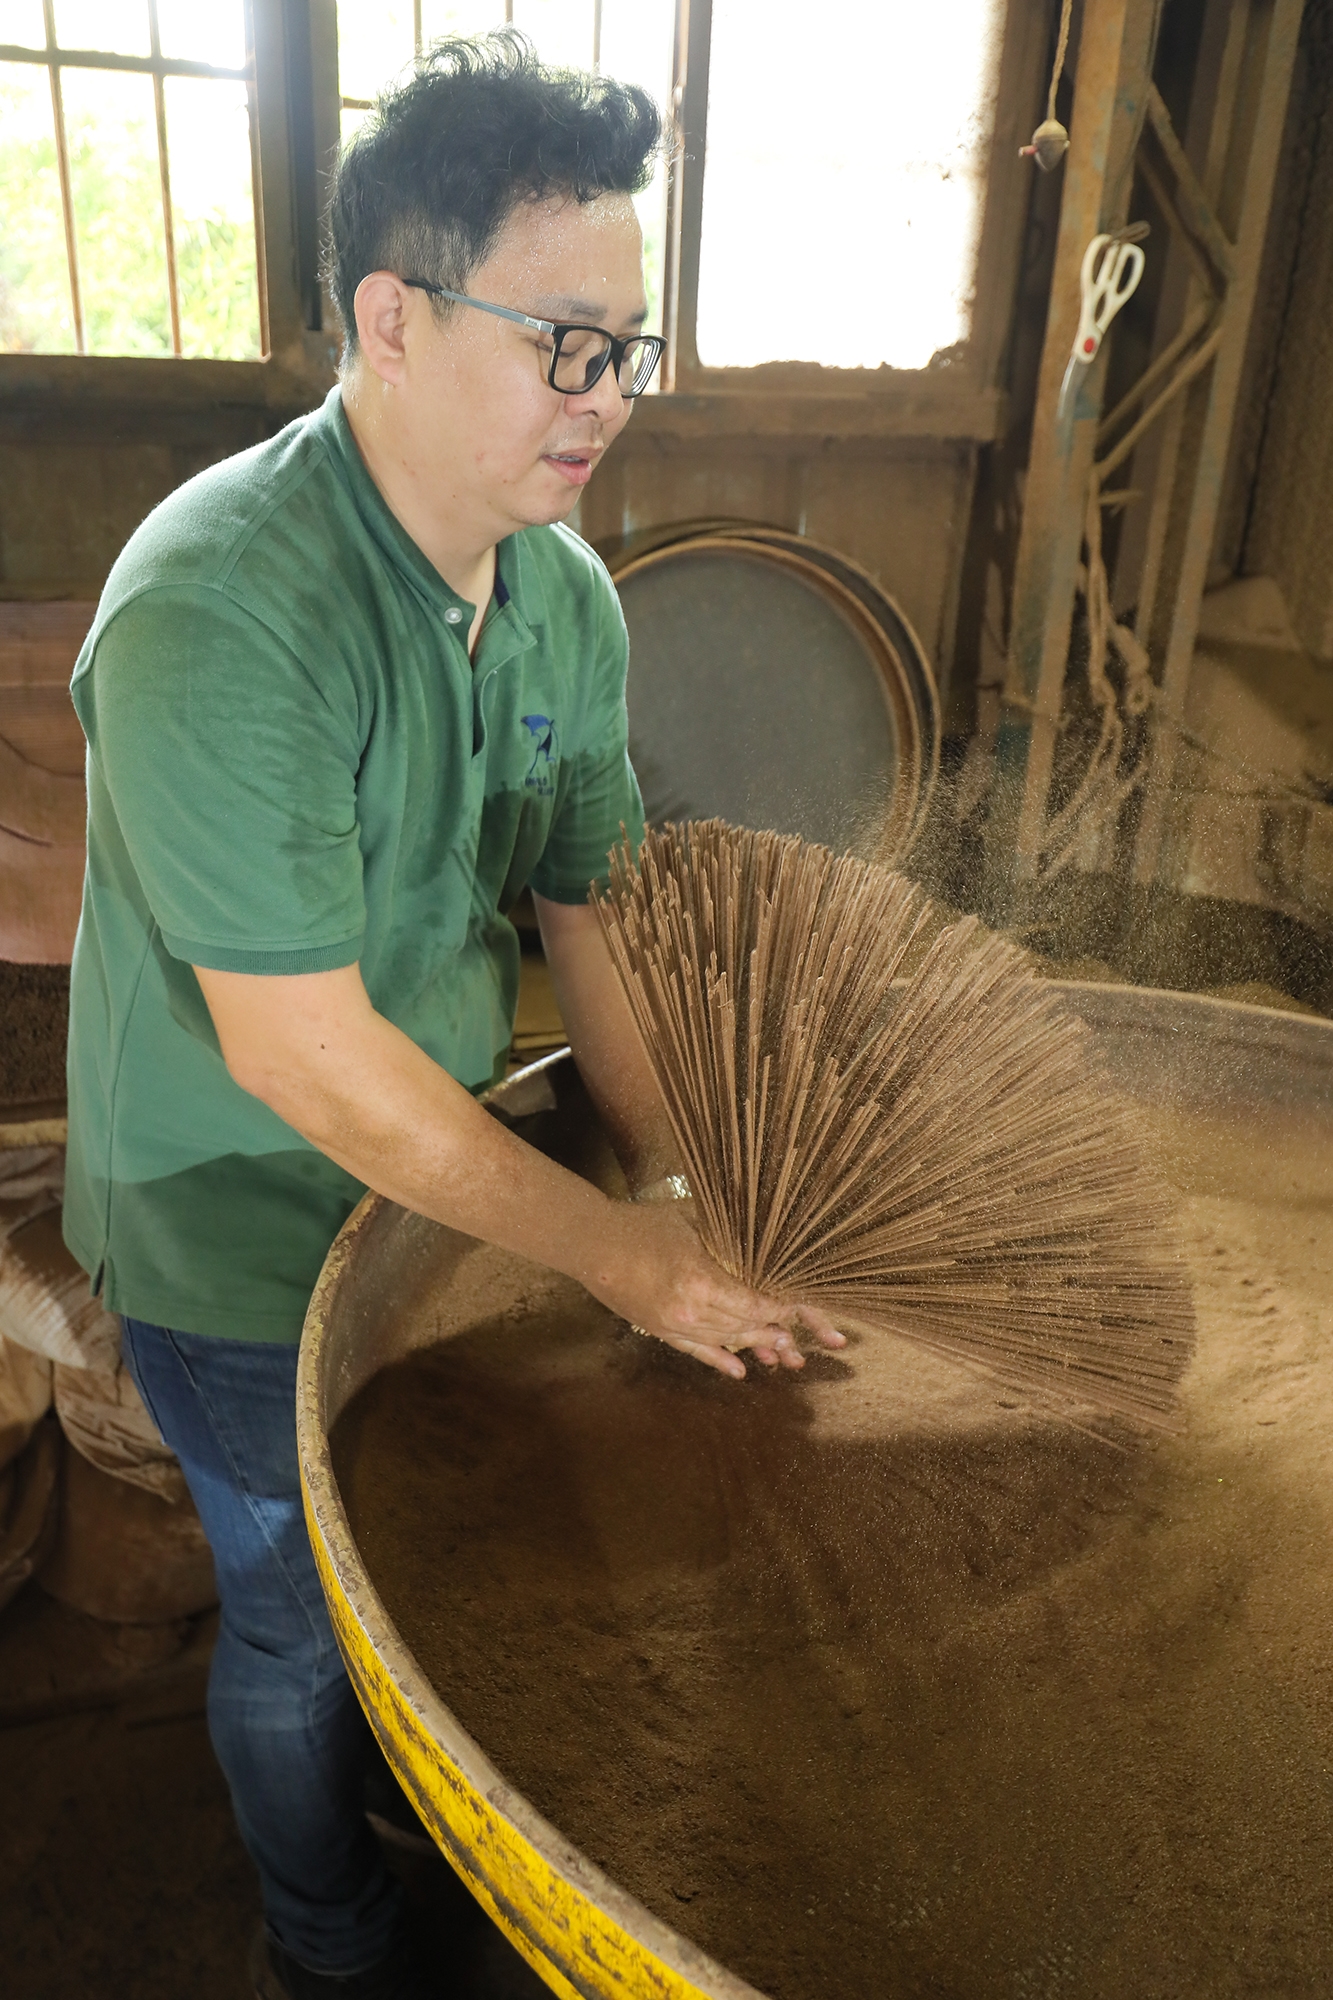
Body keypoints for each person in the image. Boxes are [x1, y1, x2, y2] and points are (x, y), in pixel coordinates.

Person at [61, 31, 842, 2000]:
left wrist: (692, 1188)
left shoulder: (563, 598)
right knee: (299, 1617)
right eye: (563, 342)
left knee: (438, 1569)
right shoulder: (222, 609)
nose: (610, 399)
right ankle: (327, 1945)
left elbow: (595, 914)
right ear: (391, 320)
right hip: (238, 1207)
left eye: (631, 348)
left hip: (436, 1178)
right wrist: (620, 1258)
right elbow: (298, 1054)